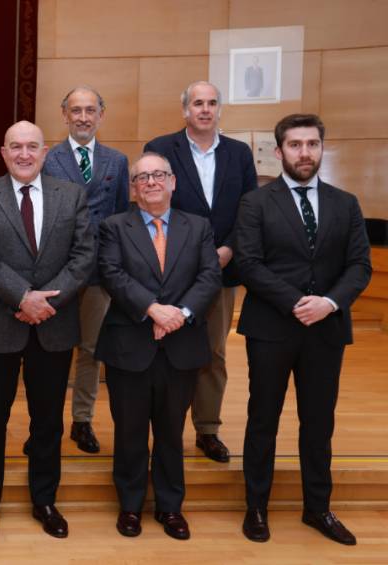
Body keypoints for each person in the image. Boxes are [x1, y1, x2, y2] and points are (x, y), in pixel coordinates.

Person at [237, 114, 371, 546]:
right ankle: (256, 507)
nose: (305, 152)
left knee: (318, 423)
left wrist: (328, 303)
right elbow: (249, 264)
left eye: (312, 144)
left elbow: (359, 265)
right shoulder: (255, 203)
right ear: (279, 151)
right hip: (271, 328)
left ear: (321, 148)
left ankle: (318, 508)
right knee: (263, 420)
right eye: (295, 145)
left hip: (326, 330)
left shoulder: (345, 203)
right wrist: (297, 302)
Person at [0, 121, 95, 539]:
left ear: (44, 152)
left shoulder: (71, 195)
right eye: (15, 147)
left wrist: (46, 302)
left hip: (53, 326)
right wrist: (22, 297)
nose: (24, 154)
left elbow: (84, 256)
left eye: (32, 147)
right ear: (3, 153)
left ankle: (45, 500)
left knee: (48, 422)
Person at [95, 152, 221, 541]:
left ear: (173, 182)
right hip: (129, 346)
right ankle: (131, 506)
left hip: (181, 346)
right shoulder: (114, 226)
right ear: (132, 188)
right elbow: (111, 273)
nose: (151, 182)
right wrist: (152, 309)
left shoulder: (198, 227)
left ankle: (170, 507)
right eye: (142, 177)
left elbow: (209, 276)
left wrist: (180, 314)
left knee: (171, 432)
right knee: (130, 432)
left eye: (158, 175)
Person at [143, 81, 257, 463]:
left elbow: (250, 209)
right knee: (168, 351)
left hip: (222, 269)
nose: (205, 109)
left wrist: (229, 249)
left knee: (214, 353)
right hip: (171, 269)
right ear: (185, 110)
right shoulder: (161, 148)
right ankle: (165, 429)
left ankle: (207, 429)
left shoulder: (239, 153)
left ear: (219, 109)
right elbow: (151, 204)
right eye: (197, 103)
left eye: (211, 103)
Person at [43, 85, 129, 454]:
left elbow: (122, 218)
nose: (82, 117)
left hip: (98, 275)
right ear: (64, 115)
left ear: (100, 115)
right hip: (58, 272)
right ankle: (45, 423)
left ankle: (82, 420)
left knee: (92, 349)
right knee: (53, 351)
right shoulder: (49, 159)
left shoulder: (117, 161)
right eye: (75, 110)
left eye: (89, 110)